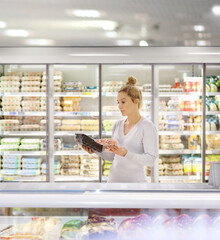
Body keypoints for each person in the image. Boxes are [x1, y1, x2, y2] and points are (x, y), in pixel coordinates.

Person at [82, 76, 158, 182]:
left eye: (123, 102)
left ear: (136, 101)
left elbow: (151, 160)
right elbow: (114, 156)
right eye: (118, 102)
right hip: (113, 183)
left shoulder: (147, 127)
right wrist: (95, 149)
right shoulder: (117, 125)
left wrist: (126, 154)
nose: (119, 106)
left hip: (135, 186)